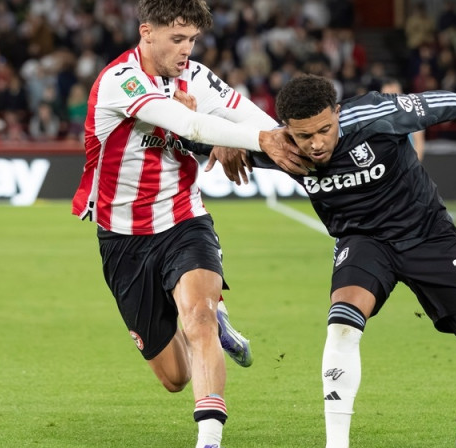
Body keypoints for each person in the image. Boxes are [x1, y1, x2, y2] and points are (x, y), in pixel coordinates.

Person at [233, 75, 456, 447]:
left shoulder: (376, 114)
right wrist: (231, 142)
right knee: (342, 321)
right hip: (363, 241)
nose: (315, 144)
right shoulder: (281, 148)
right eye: (303, 136)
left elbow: (437, 104)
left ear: (338, 114)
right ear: (286, 132)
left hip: (429, 235)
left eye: (325, 130)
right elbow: (191, 139)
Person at [70, 1, 311, 447]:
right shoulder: (119, 80)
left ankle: (209, 439)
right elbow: (186, 122)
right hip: (123, 238)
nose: (187, 50)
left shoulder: (196, 75)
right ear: (147, 32)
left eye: (193, 40)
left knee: (196, 316)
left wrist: (288, 142)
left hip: (184, 219)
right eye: (177, 39)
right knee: (174, 378)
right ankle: (217, 324)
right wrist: (234, 136)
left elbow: (249, 115)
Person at [380, 78, 425, 161]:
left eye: (393, 95)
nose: (389, 100)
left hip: (408, 166)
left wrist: (414, 168)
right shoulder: (378, 119)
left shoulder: (413, 116)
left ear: (401, 95)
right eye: (385, 96)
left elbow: (419, 144)